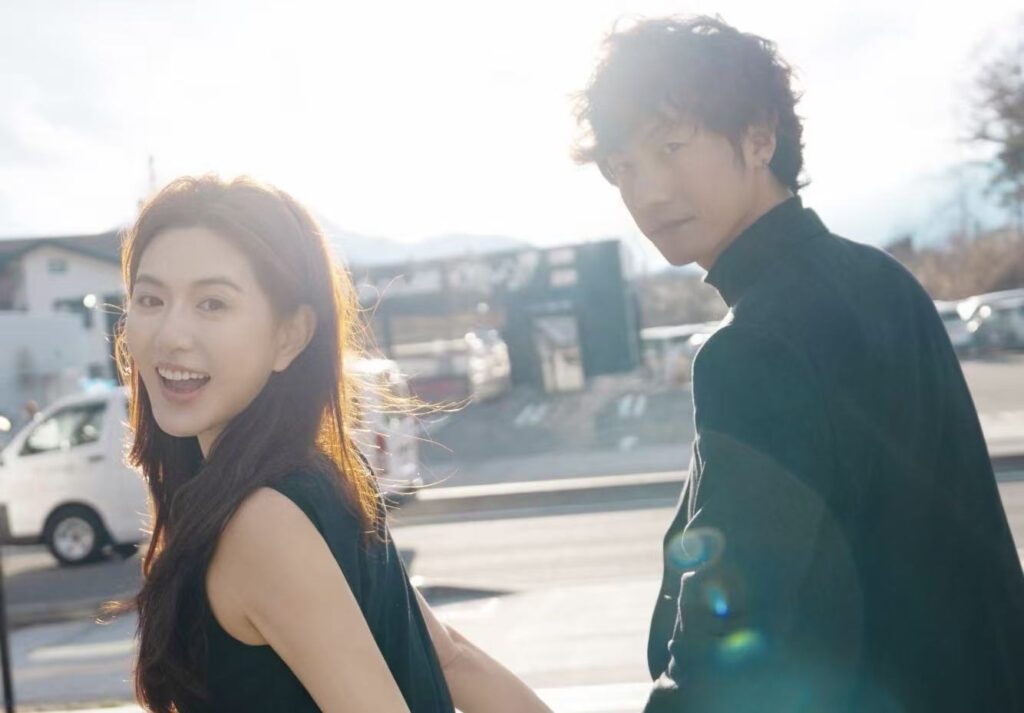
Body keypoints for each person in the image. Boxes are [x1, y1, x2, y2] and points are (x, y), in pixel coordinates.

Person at [573, 16, 1024, 713]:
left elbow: (730, 632)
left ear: (760, 137)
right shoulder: (883, 279)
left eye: (670, 147)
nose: (648, 191)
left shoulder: (754, 345)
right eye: (622, 168)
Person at [116, 175, 552, 713]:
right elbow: (449, 658)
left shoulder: (260, 522)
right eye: (150, 299)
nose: (170, 335)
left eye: (212, 303)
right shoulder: (320, 475)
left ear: (290, 335)